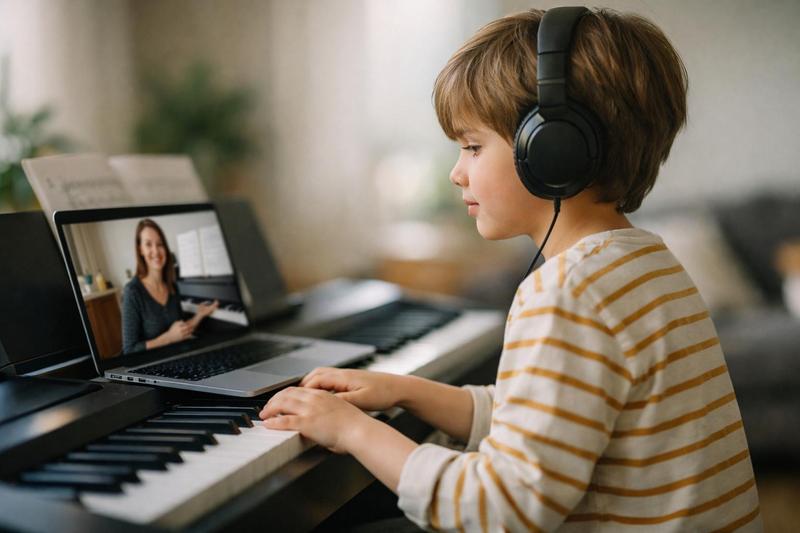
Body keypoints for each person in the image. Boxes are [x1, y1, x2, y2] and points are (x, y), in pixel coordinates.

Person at [259, 7, 762, 532]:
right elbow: (550, 417)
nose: (457, 172)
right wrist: (405, 390)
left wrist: (351, 432)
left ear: (552, 149)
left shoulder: (566, 292)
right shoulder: (646, 261)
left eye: (472, 147)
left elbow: (504, 508)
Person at [121, 218, 218, 354]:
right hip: (153, 366)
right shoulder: (132, 292)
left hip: (177, 356)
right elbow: (129, 350)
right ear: (140, 249)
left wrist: (199, 315)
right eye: (148, 244)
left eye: (160, 244)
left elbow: (180, 330)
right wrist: (168, 338)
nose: (156, 251)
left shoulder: (171, 286)